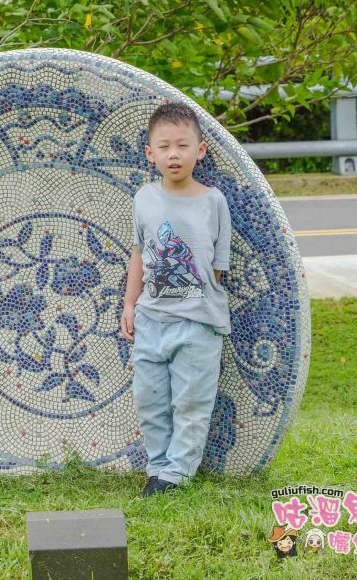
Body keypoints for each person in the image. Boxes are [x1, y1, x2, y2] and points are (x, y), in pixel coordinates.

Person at [121, 101, 232, 496]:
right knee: (150, 399)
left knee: (191, 403)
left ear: (199, 151)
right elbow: (139, 252)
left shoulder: (213, 200)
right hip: (151, 320)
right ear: (150, 153)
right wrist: (130, 303)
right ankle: (158, 466)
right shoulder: (144, 199)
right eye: (164, 146)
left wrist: (195, 298)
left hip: (199, 323)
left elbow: (217, 266)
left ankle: (177, 475)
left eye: (182, 145)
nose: (174, 154)